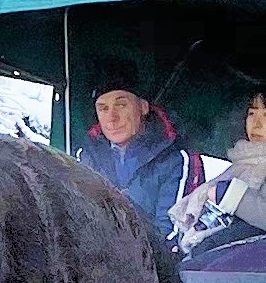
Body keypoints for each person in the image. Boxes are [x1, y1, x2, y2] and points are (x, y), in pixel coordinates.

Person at [172, 90, 266, 253]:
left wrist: (233, 197)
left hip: (254, 260)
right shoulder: (239, 164)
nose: (256, 124)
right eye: (252, 113)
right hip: (207, 254)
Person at [78, 86, 202, 235]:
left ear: (143, 107)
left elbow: (172, 235)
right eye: (103, 109)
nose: (111, 118)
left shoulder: (177, 160)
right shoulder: (85, 157)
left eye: (121, 105)